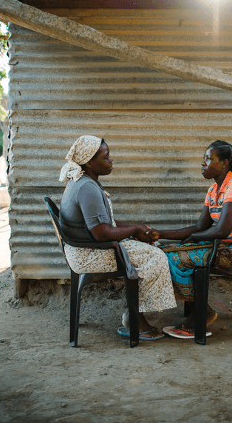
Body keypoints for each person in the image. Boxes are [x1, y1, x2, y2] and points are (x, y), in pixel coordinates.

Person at [59, 135, 176, 341]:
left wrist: (136, 228)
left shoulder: (84, 181)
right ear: (89, 162)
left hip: (84, 248)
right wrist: (134, 230)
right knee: (155, 256)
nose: (111, 159)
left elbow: (106, 223)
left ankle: (135, 315)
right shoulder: (87, 188)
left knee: (148, 246)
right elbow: (101, 232)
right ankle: (136, 321)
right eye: (106, 157)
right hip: (89, 254)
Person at [154, 140, 232, 339]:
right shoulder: (214, 191)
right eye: (204, 158)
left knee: (176, 258)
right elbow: (199, 227)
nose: (203, 163)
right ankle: (199, 309)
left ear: (224, 163)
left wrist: (192, 238)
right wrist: (159, 233)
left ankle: (203, 314)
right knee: (169, 251)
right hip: (223, 244)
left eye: (208, 159)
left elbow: (221, 230)